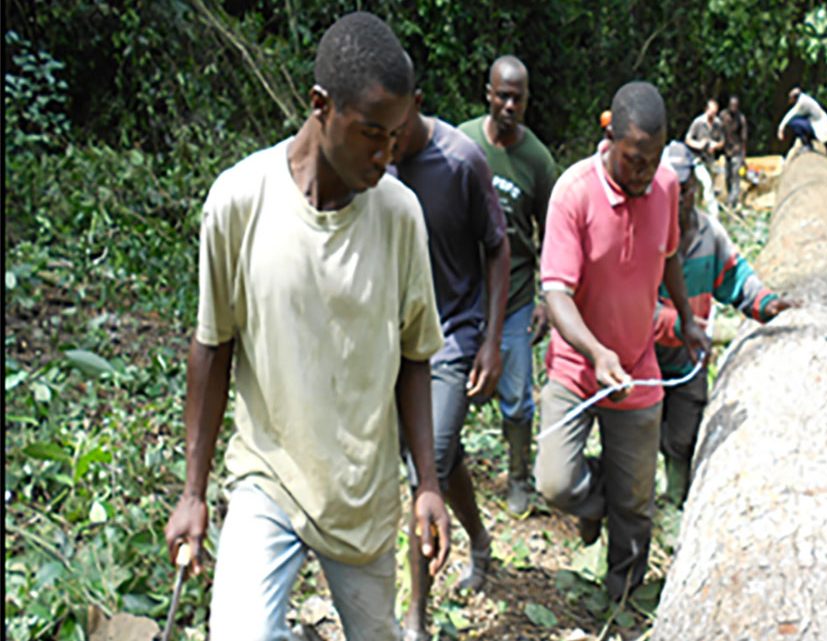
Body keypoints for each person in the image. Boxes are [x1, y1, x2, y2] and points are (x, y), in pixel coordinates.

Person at [163, 13, 451, 641]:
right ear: (320, 106)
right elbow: (212, 346)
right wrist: (193, 492)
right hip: (267, 477)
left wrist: (426, 483)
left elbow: (414, 355)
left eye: (396, 136)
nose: (385, 154)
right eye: (371, 134)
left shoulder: (400, 216)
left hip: (361, 496)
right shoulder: (239, 202)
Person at [535, 81, 711, 602]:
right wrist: (595, 353)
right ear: (608, 136)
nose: (642, 173)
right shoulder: (573, 193)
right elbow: (557, 294)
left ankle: (624, 594)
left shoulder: (664, 187)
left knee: (637, 502)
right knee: (556, 483)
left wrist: (686, 316)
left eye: (651, 161)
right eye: (634, 160)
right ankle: (597, 501)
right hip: (576, 365)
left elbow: (670, 255)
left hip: (638, 365)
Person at [391, 74, 511, 639]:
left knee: (426, 467)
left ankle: (416, 617)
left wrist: (490, 339)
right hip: (393, 341)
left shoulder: (461, 161)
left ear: (415, 104)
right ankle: (479, 537)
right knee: (443, 453)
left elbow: (497, 245)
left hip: (451, 339)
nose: (382, 137)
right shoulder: (372, 159)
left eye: (392, 122)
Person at [655, 140, 797, 506]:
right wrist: (678, 325)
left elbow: (735, 277)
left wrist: (765, 303)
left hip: (689, 363)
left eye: (684, 191)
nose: (678, 199)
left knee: (682, 439)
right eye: (670, 191)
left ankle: (674, 506)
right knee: (641, 436)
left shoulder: (709, 236)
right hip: (644, 362)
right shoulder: (645, 236)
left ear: (694, 191)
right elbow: (633, 308)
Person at [459, 55, 559, 516]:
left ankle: (519, 475)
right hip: (462, 290)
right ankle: (440, 465)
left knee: (517, 398)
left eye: (518, 98)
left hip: (516, 294)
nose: (509, 105)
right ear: (488, 93)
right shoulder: (463, 143)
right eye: (502, 95)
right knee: (447, 381)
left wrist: (544, 297)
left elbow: (553, 233)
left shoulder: (537, 160)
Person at [683, 98, 725, 217]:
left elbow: (722, 141)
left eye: (715, 112)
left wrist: (715, 145)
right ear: (706, 110)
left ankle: (699, 211)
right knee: (707, 184)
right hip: (698, 159)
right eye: (711, 112)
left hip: (710, 160)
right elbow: (688, 139)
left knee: (706, 187)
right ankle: (713, 214)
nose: (713, 115)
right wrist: (699, 145)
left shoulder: (718, 124)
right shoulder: (698, 123)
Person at [777, 87, 827, 151]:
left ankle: (807, 145)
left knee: (793, 123)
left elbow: (791, 114)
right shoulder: (804, 99)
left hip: (819, 128)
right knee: (798, 120)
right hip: (817, 124)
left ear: (794, 98)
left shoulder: (802, 103)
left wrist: (781, 128)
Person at [719, 95, 748, 209]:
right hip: (727, 151)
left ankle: (732, 201)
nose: (733, 108)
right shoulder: (723, 116)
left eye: (736, 106)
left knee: (736, 176)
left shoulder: (741, 119)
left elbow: (744, 139)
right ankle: (730, 197)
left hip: (737, 151)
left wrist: (743, 156)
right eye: (732, 105)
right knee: (728, 176)